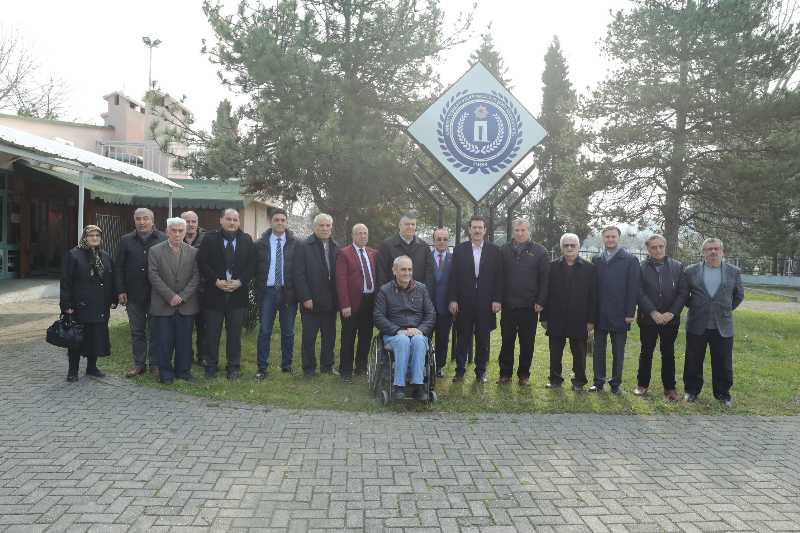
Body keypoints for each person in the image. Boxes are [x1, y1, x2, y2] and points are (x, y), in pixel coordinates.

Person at [683, 238, 744, 407]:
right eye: (709, 249)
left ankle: (723, 394)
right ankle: (691, 391)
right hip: (697, 323)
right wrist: (698, 307)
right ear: (703, 252)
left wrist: (724, 309)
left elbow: (738, 295)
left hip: (722, 325)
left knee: (723, 362)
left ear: (722, 251)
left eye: (716, 249)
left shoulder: (734, 271)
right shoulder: (690, 271)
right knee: (693, 360)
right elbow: (685, 296)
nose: (713, 252)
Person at [197, 208, 255, 380]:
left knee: (235, 335)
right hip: (214, 293)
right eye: (228, 219)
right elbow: (202, 261)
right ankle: (211, 366)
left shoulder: (246, 240)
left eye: (235, 220)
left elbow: (252, 265)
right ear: (221, 220)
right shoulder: (209, 238)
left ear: (239, 222)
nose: (232, 223)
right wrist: (215, 280)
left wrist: (240, 281)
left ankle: (233, 367)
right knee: (212, 334)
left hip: (238, 295)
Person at [448, 215, 503, 384]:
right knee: (462, 337)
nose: (477, 230)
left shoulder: (494, 251)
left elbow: (499, 277)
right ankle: (460, 371)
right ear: (469, 230)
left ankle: (481, 372)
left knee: (483, 339)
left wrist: (497, 299)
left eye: (480, 227)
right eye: (474, 227)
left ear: (485, 230)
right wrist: (453, 299)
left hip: (486, 302)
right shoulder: (459, 250)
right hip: (464, 301)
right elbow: (453, 277)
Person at [634, 234, 688, 401]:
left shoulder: (678, 267)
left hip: (670, 319)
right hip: (648, 318)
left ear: (665, 247)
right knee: (646, 352)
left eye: (660, 247)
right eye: (653, 247)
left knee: (668, 353)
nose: (657, 250)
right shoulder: (641, 267)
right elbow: (639, 292)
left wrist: (671, 313)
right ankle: (642, 385)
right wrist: (653, 312)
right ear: (648, 249)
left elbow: (683, 293)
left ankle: (670, 388)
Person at [373, 255, 436, 400]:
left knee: (420, 341)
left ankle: (418, 386)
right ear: (394, 271)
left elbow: (431, 314)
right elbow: (378, 316)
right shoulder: (385, 291)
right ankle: (399, 386)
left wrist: (420, 330)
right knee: (402, 341)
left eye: (410, 269)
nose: (407, 273)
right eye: (403, 269)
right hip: (394, 334)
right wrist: (397, 330)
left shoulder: (421, 289)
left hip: (416, 332)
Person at [60, 225, 117, 382]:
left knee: (96, 337)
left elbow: (111, 278)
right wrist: (67, 305)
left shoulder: (105, 256)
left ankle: (92, 368)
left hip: (100, 306)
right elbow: (66, 282)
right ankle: (72, 371)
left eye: (97, 236)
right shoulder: (73, 255)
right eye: (91, 235)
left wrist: (114, 298)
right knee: (76, 338)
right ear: (84, 237)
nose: (94, 238)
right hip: (80, 306)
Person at [148, 218, 201, 384]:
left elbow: (196, 277)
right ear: (167, 231)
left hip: (186, 305)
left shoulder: (193, 252)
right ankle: (165, 373)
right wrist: (170, 296)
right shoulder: (155, 251)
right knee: (164, 341)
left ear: (185, 232)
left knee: (184, 341)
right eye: (174, 230)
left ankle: (183, 371)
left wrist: (183, 296)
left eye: (180, 231)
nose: (177, 234)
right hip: (163, 304)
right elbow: (153, 276)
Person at [115, 208, 166, 378]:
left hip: (156, 294)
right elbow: (119, 267)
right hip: (133, 294)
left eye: (145, 219)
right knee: (137, 331)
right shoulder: (126, 240)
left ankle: (155, 364)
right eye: (138, 219)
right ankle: (139, 364)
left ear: (153, 220)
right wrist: (121, 290)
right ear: (134, 220)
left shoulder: (162, 239)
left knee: (155, 331)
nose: (142, 222)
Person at [497, 219, 549, 386]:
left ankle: (524, 375)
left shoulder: (540, 251)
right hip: (508, 305)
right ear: (512, 231)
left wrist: (540, 301)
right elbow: (498, 278)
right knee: (507, 341)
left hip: (529, 306)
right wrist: (498, 300)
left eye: (523, 230)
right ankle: (505, 374)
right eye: (517, 230)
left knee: (527, 342)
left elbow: (545, 279)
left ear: (529, 231)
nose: (520, 233)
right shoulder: (504, 250)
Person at [541, 233, 595, 390]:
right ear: (561, 247)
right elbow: (546, 293)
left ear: (578, 247)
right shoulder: (551, 267)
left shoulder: (589, 268)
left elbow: (593, 296)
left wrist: (591, 320)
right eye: (566, 245)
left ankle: (579, 381)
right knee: (555, 351)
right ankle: (555, 379)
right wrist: (544, 317)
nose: (570, 248)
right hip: (556, 317)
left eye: (573, 245)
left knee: (579, 352)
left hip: (579, 317)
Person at [590, 226, 640, 394]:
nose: (610, 239)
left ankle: (615, 384)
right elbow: (593, 289)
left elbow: (633, 289)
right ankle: (598, 382)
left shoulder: (630, 260)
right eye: (607, 237)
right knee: (598, 350)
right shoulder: (596, 259)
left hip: (620, 314)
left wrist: (629, 313)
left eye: (613, 237)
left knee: (618, 351)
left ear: (618, 238)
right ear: (602, 239)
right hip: (600, 313)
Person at [254, 208, 298, 379]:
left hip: (288, 293)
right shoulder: (260, 244)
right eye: (276, 220)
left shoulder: (295, 243)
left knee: (288, 331)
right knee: (265, 330)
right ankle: (262, 368)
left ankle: (287, 366)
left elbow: (299, 270)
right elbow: (254, 269)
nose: (280, 223)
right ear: (270, 222)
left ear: (286, 222)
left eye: (283, 220)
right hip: (267, 293)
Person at [294, 213, 339, 376]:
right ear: (315, 227)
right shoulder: (304, 246)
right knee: (309, 337)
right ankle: (309, 368)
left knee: (329, 337)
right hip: (310, 301)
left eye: (328, 225)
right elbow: (298, 275)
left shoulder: (335, 246)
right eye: (321, 225)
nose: (325, 228)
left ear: (331, 227)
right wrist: (305, 297)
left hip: (330, 302)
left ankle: (327, 366)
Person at [335, 223, 378, 382]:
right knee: (348, 337)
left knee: (366, 336)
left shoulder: (373, 253)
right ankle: (345, 370)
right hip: (351, 303)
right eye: (359, 233)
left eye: (365, 233)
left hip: (369, 301)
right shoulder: (344, 253)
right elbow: (341, 281)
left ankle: (361, 367)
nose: (363, 236)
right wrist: (344, 304)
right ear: (353, 236)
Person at [376, 212, 435, 289]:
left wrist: (423, 294)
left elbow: (429, 275)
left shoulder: (424, 247)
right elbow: (381, 275)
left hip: (417, 296)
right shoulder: (387, 246)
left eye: (413, 224)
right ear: (399, 225)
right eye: (407, 224)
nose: (410, 227)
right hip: (393, 296)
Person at [181, 210, 206, 367]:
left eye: (193, 221)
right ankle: (186, 356)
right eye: (187, 221)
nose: (190, 225)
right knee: (185, 327)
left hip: (203, 290)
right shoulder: (175, 238)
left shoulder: (207, 239)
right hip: (183, 290)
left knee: (203, 326)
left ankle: (202, 356)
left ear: (197, 223)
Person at [430, 227, 453, 378]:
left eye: (445, 239)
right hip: (427, 306)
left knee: (443, 338)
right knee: (425, 337)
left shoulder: (454, 259)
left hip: (446, 306)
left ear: (448, 241)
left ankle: (439, 366)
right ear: (433, 241)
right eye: (439, 239)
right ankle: (425, 363)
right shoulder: (426, 258)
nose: (442, 242)